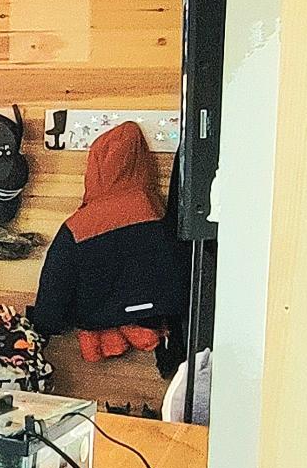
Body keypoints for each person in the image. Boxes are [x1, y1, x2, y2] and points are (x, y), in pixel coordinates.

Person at [30, 121, 188, 366]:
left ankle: (100, 341)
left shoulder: (79, 225)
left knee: (96, 343)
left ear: (94, 168)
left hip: (96, 316)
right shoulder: (155, 212)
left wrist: (44, 323)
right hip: (156, 313)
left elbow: (56, 278)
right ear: (141, 163)